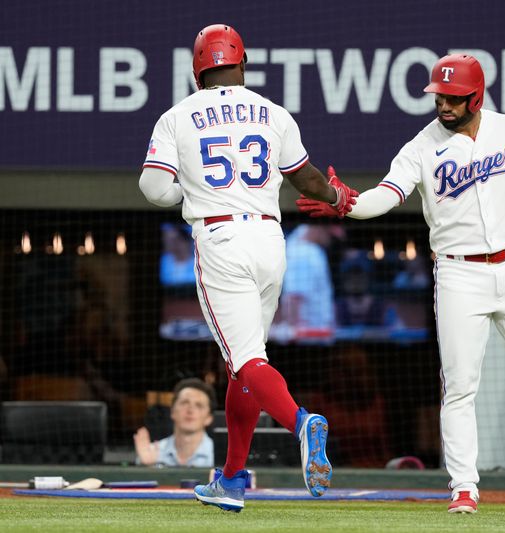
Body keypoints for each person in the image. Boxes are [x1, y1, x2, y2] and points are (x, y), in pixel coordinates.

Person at [297, 54, 505, 514]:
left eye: (454, 98)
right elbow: (385, 196)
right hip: (459, 273)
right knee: (460, 386)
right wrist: (344, 203)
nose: (444, 106)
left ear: (477, 95)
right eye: (439, 97)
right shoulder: (421, 147)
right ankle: (464, 486)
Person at [138, 23, 358, 512]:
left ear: (197, 69)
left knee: (246, 361)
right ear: (243, 63)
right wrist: (339, 196)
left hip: (220, 239)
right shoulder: (273, 113)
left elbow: (154, 189)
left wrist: (186, 195)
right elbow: (306, 177)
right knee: (243, 366)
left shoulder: (177, 116)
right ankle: (233, 480)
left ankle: (302, 423)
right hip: (270, 238)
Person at [276, 224, 341, 343]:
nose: (330, 242)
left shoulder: (299, 245)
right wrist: (294, 334)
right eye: (330, 236)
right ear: (319, 228)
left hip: (313, 335)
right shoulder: (305, 251)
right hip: (309, 339)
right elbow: (294, 297)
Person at [134, 378, 216, 467]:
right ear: (172, 411)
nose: (190, 410)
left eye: (199, 405)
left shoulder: (223, 455)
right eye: (184, 403)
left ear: (209, 418)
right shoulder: (151, 452)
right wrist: (148, 468)